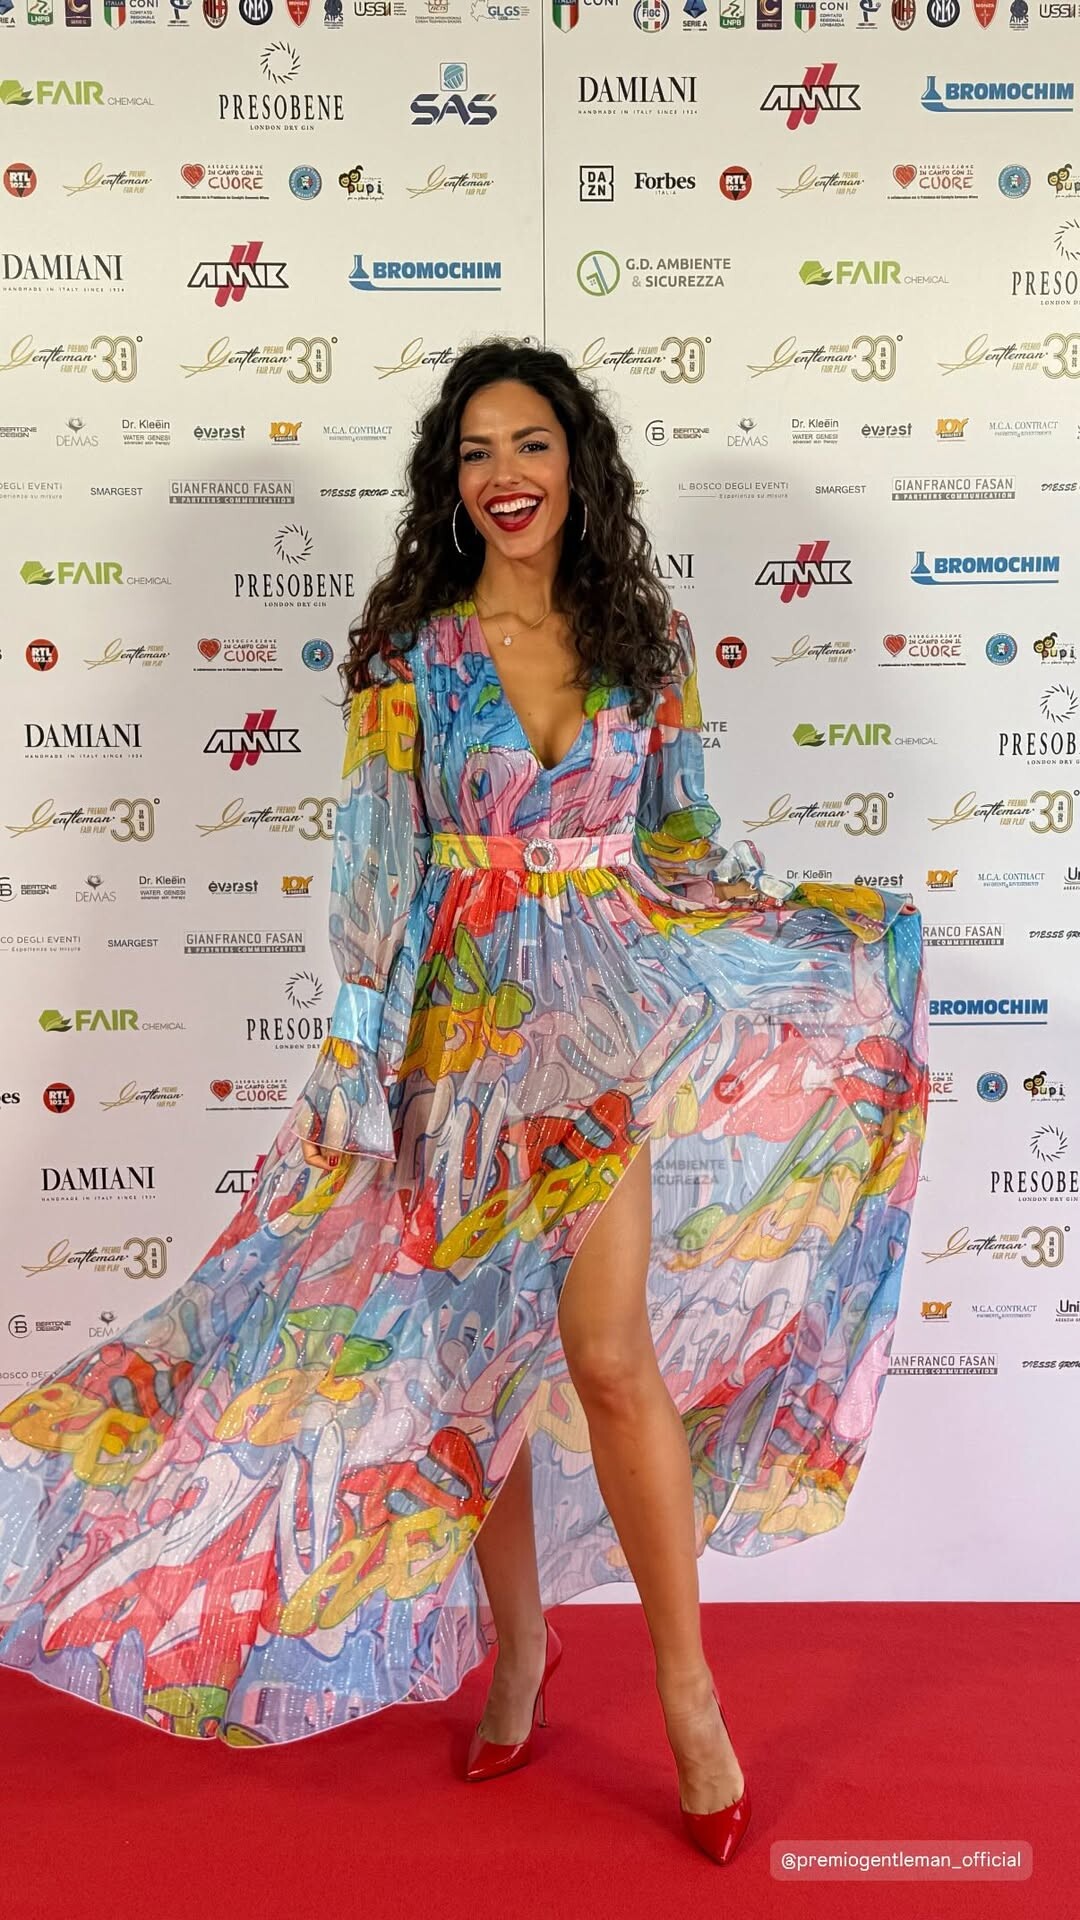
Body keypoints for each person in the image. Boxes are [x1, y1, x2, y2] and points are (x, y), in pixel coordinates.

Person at [0, 337, 927, 1868]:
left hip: (604, 1029)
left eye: (532, 444)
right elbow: (375, 872)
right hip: (457, 1043)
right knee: (475, 1372)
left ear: (577, 465)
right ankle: (521, 1649)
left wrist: (815, 932)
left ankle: (689, 1695)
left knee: (608, 1360)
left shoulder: (648, 641)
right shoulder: (409, 660)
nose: (506, 474)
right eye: (478, 451)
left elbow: (682, 841)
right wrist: (354, 1062)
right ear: (452, 480)